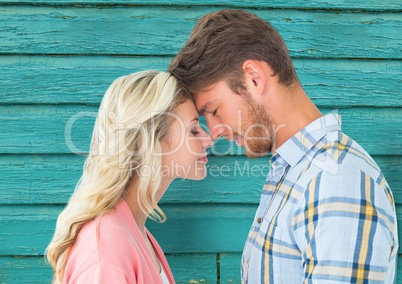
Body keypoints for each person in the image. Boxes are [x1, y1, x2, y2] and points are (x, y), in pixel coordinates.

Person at [168, 9, 398, 283]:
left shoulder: (337, 183)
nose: (214, 131)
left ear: (254, 77)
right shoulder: (298, 172)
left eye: (214, 110)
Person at [46, 70, 213, 284]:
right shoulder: (106, 253)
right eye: (193, 130)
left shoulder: (135, 231)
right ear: (150, 141)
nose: (208, 140)